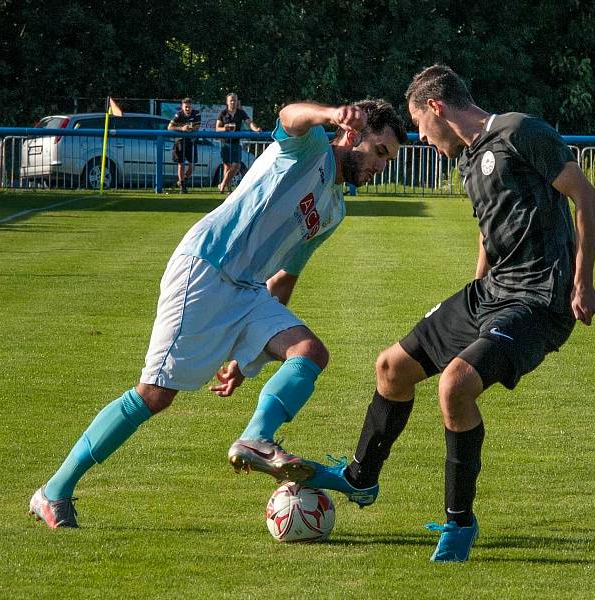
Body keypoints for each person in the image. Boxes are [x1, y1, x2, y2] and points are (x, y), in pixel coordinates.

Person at [28, 98, 407, 528]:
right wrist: (329, 113)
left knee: (309, 351)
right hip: (207, 266)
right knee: (155, 395)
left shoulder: (335, 210)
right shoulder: (311, 147)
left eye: (389, 160)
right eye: (379, 152)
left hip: (248, 290)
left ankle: (257, 439)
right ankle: (54, 491)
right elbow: (287, 116)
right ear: (353, 135)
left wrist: (250, 360)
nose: (381, 166)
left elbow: (283, 279)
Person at [303, 64, 595, 562]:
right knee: (391, 368)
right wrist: (475, 285)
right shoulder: (469, 161)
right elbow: (491, 228)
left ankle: (459, 523)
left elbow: (584, 196)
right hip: (490, 292)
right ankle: (360, 479)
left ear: (437, 107)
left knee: (455, 385)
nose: (422, 136)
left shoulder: (519, 131)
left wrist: (583, 281)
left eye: (420, 125)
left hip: (539, 300)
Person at [216, 93, 262, 193]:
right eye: (231, 100)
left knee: (236, 165)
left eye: (235, 100)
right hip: (225, 143)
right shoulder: (222, 113)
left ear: (237, 102)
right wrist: (225, 128)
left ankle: (222, 184)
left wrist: (256, 129)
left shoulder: (241, 112)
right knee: (227, 166)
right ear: (227, 102)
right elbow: (217, 128)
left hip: (236, 142)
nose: (233, 102)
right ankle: (228, 189)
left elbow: (249, 122)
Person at [168, 98, 202, 193]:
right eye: (186, 107)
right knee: (181, 164)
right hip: (180, 142)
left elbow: (198, 126)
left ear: (192, 107)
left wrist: (190, 128)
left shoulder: (196, 113)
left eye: (189, 107)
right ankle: (183, 187)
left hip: (191, 142)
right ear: (182, 107)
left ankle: (182, 181)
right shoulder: (178, 114)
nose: (188, 109)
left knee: (192, 165)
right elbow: (169, 127)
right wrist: (182, 128)